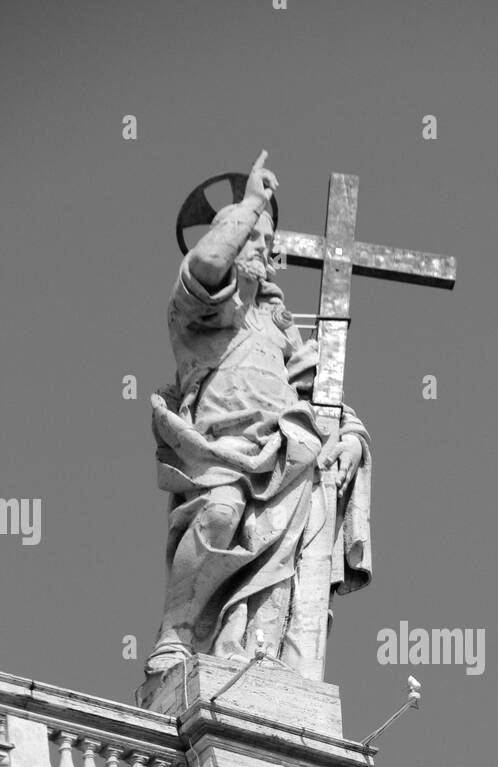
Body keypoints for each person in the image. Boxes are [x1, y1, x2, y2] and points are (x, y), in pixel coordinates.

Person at [145, 151, 371, 679]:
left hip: (288, 455)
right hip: (220, 451)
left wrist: (353, 438)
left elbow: (325, 397)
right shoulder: (195, 313)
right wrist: (248, 205)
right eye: (251, 237)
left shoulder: (277, 326)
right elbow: (204, 266)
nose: (262, 248)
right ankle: (177, 630)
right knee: (220, 515)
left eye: (268, 243)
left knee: (285, 566)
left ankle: (257, 650)